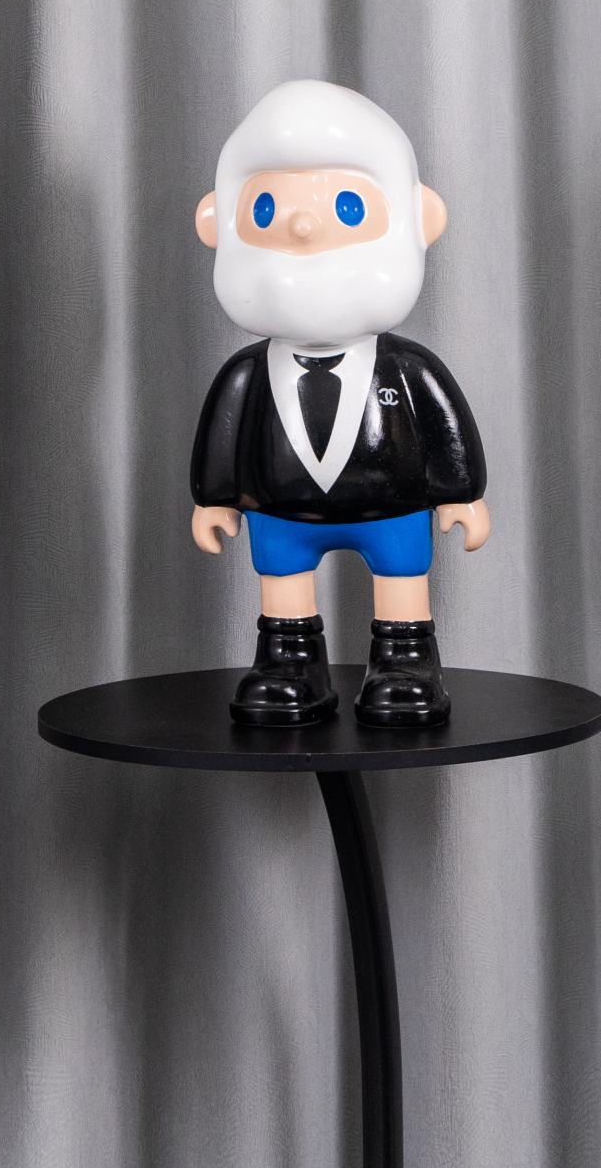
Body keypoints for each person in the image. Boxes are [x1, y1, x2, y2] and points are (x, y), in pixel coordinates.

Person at [189, 80, 489, 726]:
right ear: (215, 223)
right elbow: (224, 434)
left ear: (422, 219)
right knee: (283, 582)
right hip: (282, 513)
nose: (303, 226)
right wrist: (214, 499)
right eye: (266, 208)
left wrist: (461, 493)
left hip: (392, 510)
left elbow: (445, 427)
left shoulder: (407, 370)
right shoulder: (246, 376)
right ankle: (289, 663)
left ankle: (406, 661)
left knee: (401, 578)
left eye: (348, 207)